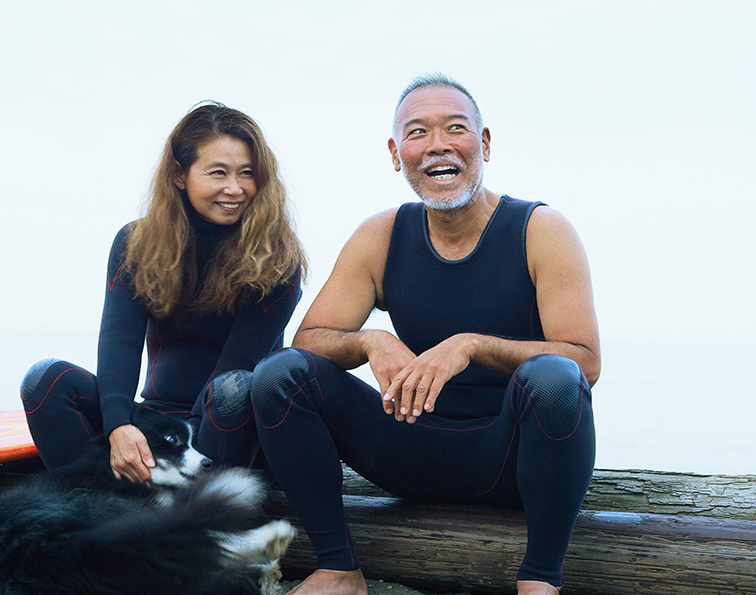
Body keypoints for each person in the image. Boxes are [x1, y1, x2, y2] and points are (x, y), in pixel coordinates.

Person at [249, 74, 600, 595]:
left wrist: (470, 345)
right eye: (417, 133)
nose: (437, 144)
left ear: (483, 144)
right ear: (397, 153)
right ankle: (339, 567)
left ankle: (540, 579)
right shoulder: (382, 235)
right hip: (406, 451)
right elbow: (310, 341)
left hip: (506, 460)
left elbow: (584, 363)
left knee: (554, 377)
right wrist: (372, 340)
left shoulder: (540, 230)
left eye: (455, 128)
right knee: (278, 374)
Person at [21, 102, 307, 483]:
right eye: (218, 173)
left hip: (229, 429)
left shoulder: (276, 260)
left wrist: (177, 452)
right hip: (156, 420)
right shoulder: (137, 242)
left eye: (247, 174)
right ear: (179, 174)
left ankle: (163, 503)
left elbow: (234, 369)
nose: (235, 188)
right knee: (46, 380)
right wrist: (120, 427)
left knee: (233, 390)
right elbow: (119, 341)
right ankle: (94, 504)